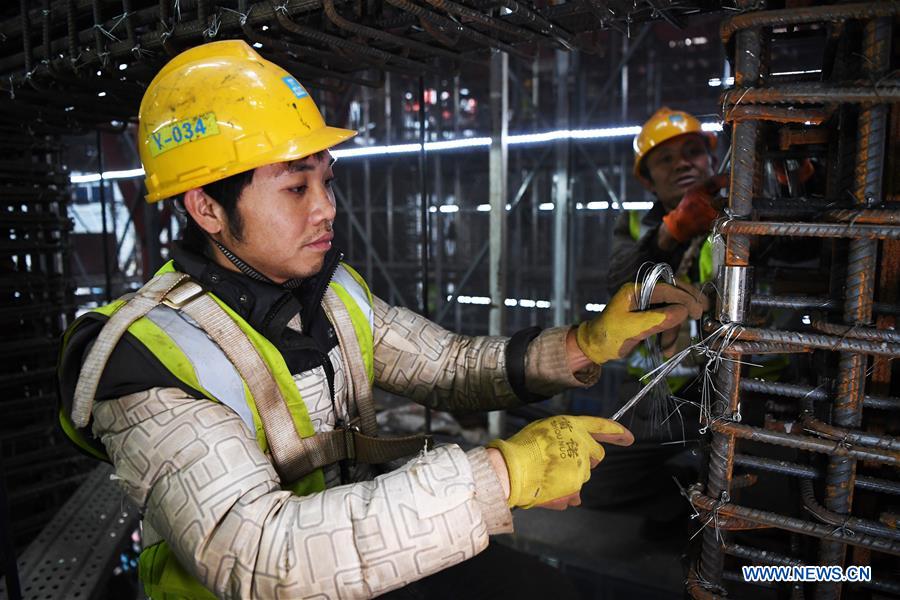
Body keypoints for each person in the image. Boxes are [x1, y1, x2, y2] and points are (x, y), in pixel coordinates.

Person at [57, 41, 703, 599]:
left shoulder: (332, 294)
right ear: (206, 207)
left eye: (326, 182)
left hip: (356, 561)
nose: (326, 210)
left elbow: (449, 368)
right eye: (295, 188)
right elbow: (254, 553)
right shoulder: (144, 354)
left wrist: (582, 345)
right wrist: (501, 475)